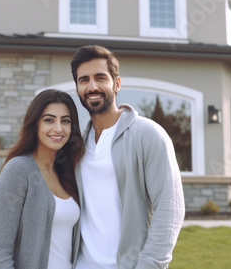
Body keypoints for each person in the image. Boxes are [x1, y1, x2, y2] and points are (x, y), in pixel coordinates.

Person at [70, 45, 185, 269]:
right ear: (77, 89)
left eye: (100, 77)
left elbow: (170, 208)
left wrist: (149, 264)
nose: (92, 86)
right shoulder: (76, 145)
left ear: (117, 83)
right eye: (84, 80)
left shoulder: (147, 134)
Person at [0, 89, 85, 269]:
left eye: (65, 121)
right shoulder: (18, 170)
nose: (58, 128)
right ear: (35, 125)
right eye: (49, 120)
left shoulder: (69, 172)